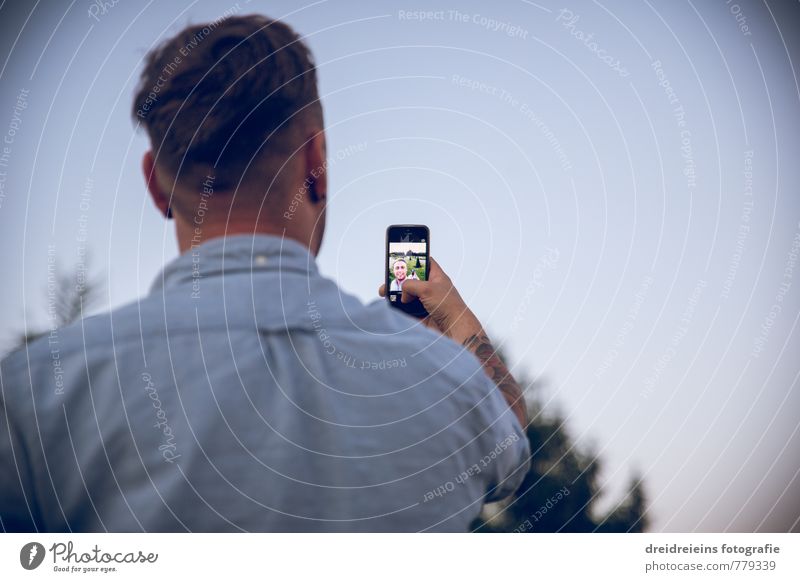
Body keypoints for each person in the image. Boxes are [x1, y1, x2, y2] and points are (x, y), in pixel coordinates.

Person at [0, 14, 529, 532]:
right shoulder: (452, 386)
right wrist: (457, 322)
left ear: (156, 186)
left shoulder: (38, 393)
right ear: (314, 160)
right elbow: (512, 443)